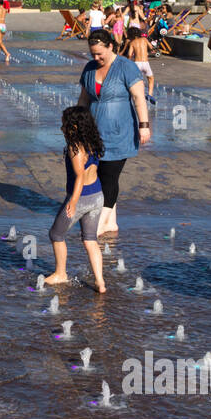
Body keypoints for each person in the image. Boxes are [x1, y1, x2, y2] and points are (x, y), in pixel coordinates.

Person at [78, 29, 151, 236]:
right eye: (93, 54)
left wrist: (144, 125)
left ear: (111, 46)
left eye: (99, 53)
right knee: (99, 175)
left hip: (120, 132)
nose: (96, 58)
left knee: (109, 176)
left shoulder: (126, 67)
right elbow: (84, 99)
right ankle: (111, 222)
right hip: (94, 132)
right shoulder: (90, 68)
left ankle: (100, 222)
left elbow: (139, 97)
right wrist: (76, 124)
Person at [43, 106, 106, 291]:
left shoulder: (75, 147)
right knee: (90, 239)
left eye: (65, 124)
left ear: (75, 126)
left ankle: (60, 274)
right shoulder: (92, 142)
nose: (62, 128)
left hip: (82, 198)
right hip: (97, 195)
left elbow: (79, 176)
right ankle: (100, 282)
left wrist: (73, 202)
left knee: (56, 234)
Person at [125, 27, 155, 102]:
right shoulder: (144, 39)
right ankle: (150, 95)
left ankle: (133, 94)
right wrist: (151, 49)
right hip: (145, 63)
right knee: (150, 78)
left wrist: (128, 62)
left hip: (137, 63)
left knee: (135, 80)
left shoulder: (132, 43)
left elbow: (129, 54)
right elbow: (151, 47)